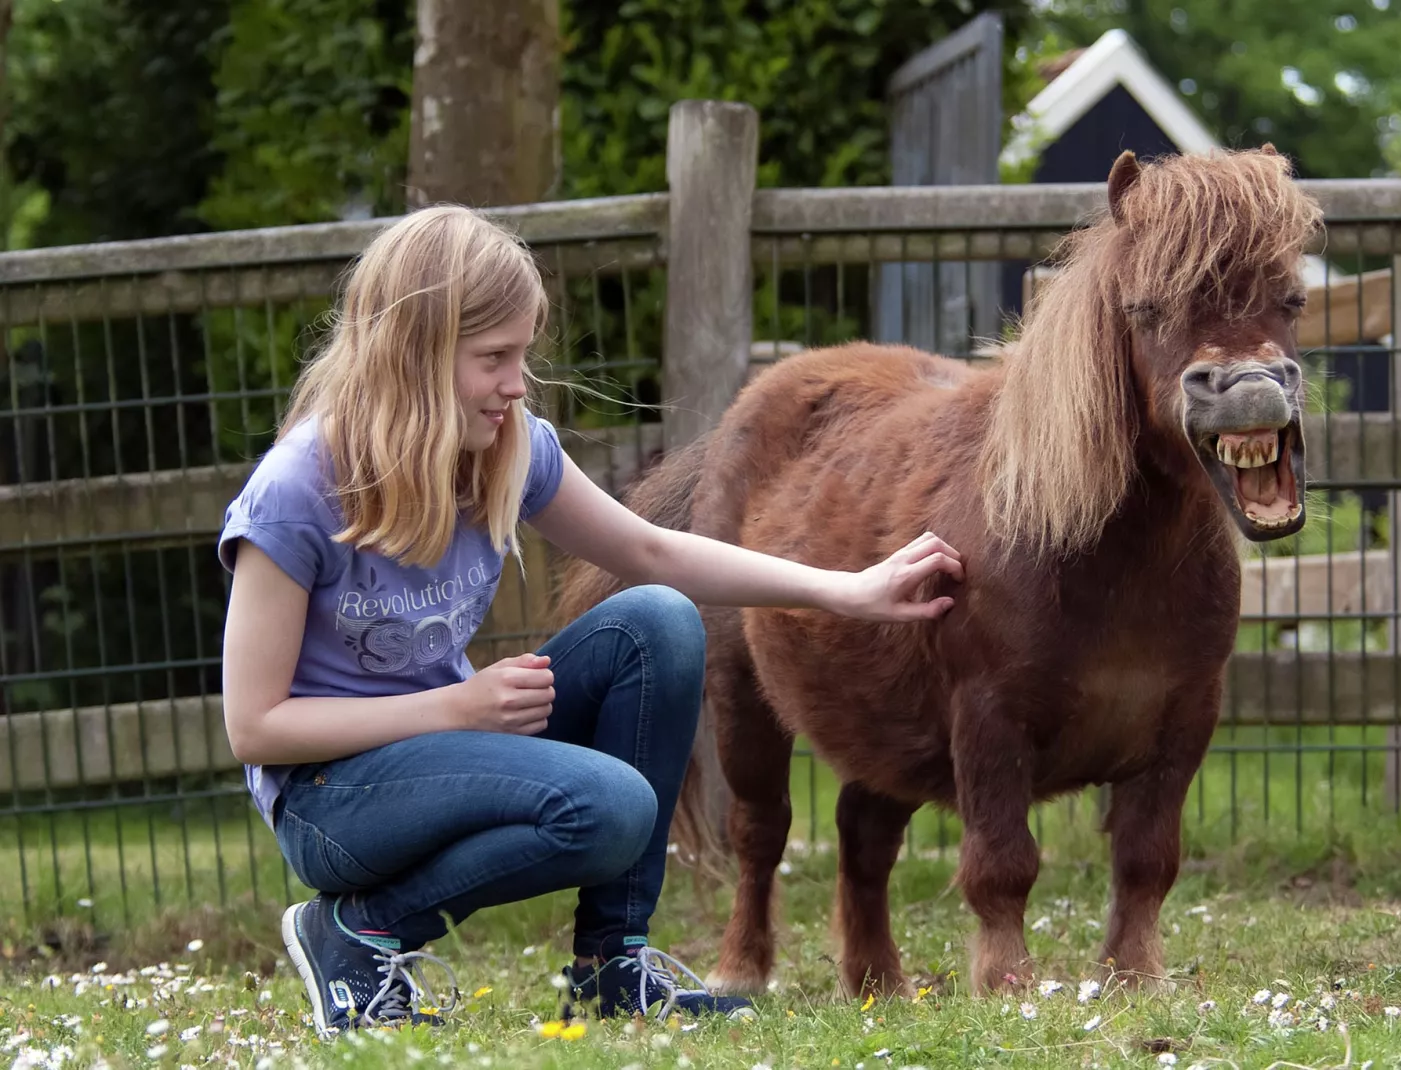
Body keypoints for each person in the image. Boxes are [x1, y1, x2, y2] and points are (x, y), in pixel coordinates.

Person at [216, 204, 964, 1040]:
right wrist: (455, 709)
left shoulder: (505, 449)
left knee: (658, 621)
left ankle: (614, 967)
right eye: (493, 359)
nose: (517, 384)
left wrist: (849, 589)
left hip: (444, 752)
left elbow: (657, 551)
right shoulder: (294, 494)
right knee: (612, 808)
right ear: (413, 357)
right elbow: (255, 727)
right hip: (331, 800)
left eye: (522, 355)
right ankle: (355, 929)